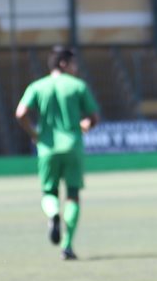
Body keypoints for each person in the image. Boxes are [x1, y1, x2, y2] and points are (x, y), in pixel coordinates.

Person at [16, 45, 100, 260]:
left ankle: (53, 214)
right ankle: (67, 245)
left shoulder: (37, 86)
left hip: (46, 148)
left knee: (49, 192)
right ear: (63, 63)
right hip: (72, 146)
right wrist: (84, 125)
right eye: (73, 63)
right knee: (72, 195)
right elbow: (93, 118)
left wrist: (34, 133)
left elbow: (20, 113)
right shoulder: (77, 86)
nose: (76, 67)